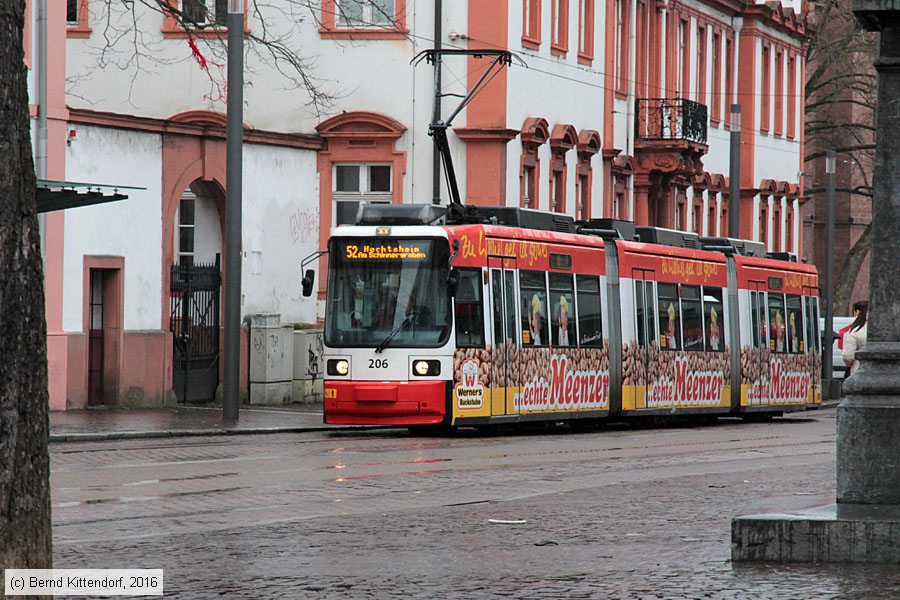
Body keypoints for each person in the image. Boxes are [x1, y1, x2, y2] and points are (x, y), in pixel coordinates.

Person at [842, 300, 868, 375]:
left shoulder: (856, 330)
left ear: (857, 312)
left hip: (859, 372)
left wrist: (849, 363)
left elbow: (848, 356)